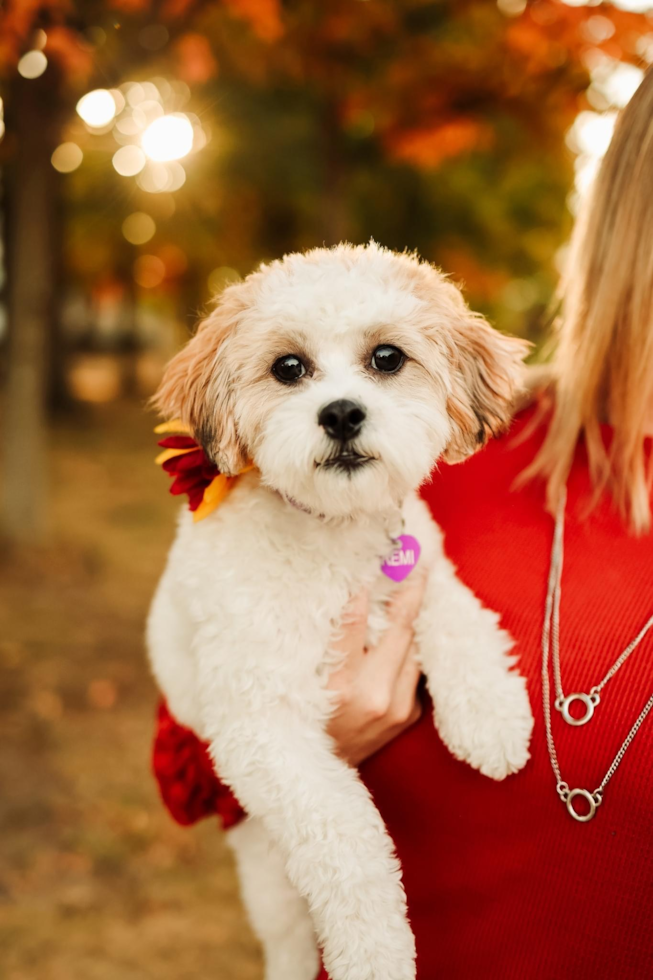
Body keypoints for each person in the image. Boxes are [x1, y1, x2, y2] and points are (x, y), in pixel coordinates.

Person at [152, 69, 653, 979]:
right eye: (297, 369)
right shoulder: (440, 455)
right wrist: (285, 744)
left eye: (384, 359)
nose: (344, 401)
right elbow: (186, 761)